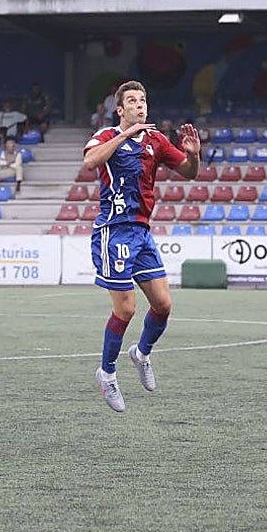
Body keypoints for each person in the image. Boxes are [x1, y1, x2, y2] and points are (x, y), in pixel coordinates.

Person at [82, 80, 201, 413]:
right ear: (120, 110)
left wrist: (194, 156)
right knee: (126, 309)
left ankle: (141, 354)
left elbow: (189, 174)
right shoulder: (106, 137)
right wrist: (124, 134)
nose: (140, 105)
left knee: (163, 305)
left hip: (141, 232)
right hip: (113, 231)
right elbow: (91, 162)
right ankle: (106, 374)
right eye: (132, 101)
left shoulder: (156, 141)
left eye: (143, 100)